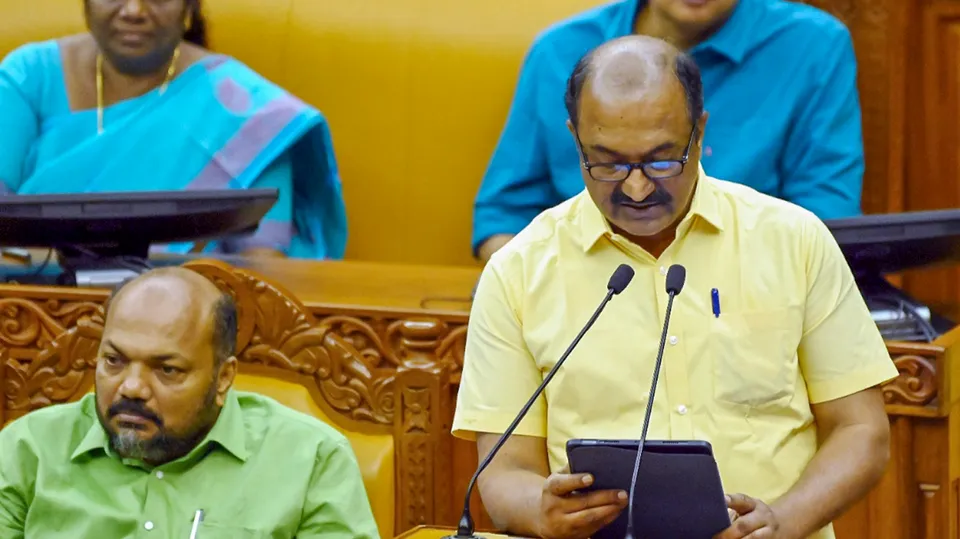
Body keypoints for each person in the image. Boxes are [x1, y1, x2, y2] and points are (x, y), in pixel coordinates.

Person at [454, 36, 895, 539]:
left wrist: (784, 521)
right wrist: (541, 509)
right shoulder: (518, 271)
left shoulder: (793, 240)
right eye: (608, 163)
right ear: (575, 139)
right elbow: (503, 471)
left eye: (662, 161)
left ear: (700, 130)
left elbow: (861, 431)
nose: (637, 187)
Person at [0, 267, 379, 538]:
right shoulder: (28, 448)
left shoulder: (310, 460)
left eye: (166, 370)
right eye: (113, 361)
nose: (131, 388)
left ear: (223, 378)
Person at [473, 0, 863, 261]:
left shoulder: (814, 46)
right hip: (588, 300)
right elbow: (504, 218)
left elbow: (824, 221)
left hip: (746, 304)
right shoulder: (559, 50)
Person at [0, 0, 347, 259]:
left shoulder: (247, 113)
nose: (134, 9)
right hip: (33, 307)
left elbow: (264, 264)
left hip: (184, 328)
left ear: (189, 6)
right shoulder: (28, 77)